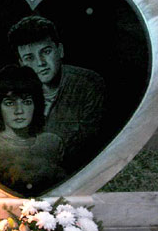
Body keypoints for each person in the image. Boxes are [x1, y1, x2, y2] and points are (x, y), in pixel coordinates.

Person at [7, 15, 105, 173]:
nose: (40, 63)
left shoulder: (88, 84)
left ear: (60, 50)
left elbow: (88, 147)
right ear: (22, 64)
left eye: (46, 52)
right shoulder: (15, 95)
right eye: (29, 58)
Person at [0, 65, 64, 194]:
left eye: (26, 102)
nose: (19, 111)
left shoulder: (52, 143)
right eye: (10, 103)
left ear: (36, 104)